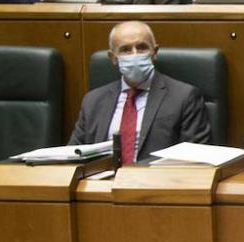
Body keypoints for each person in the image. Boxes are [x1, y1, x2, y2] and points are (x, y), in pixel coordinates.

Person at [68, 20, 212, 162]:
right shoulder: (93, 101)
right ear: (113, 58)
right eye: (125, 50)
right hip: (101, 182)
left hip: (158, 182)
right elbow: (74, 154)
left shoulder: (184, 97)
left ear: (154, 52)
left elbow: (195, 158)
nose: (134, 54)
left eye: (142, 47)